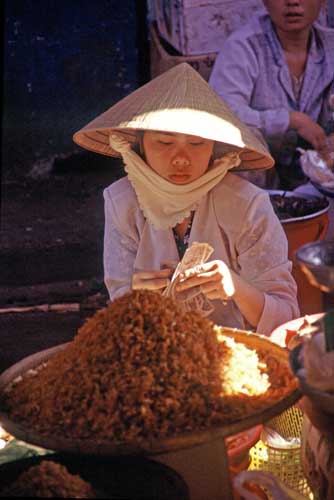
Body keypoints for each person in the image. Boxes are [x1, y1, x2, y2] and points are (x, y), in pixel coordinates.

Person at [73, 62, 299, 336]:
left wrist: (236, 287)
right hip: (153, 350)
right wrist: (135, 295)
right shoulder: (122, 202)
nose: (181, 159)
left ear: (214, 149)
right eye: (165, 143)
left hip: (237, 356)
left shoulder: (248, 205)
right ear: (139, 146)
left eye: (196, 144)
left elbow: (286, 318)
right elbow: (119, 313)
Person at [209, 0, 334, 191]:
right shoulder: (244, 46)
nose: (293, 2)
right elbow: (219, 114)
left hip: (321, 172)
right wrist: (291, 120)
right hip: (261, 179)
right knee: (237, 147)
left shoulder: (330, 46)